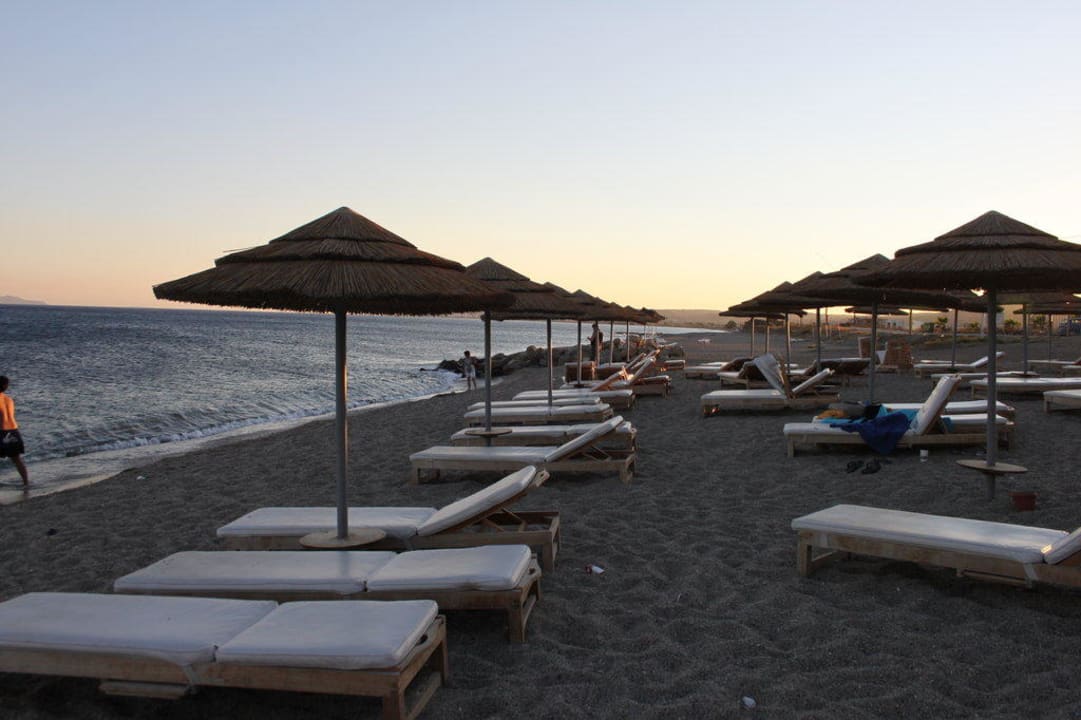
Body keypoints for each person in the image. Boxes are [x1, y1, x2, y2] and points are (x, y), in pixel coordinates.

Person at [0, 376, 28, 487]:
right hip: (14, 431)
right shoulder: (9, 400)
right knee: (17, 459)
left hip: (2, 431)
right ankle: (26, 483)